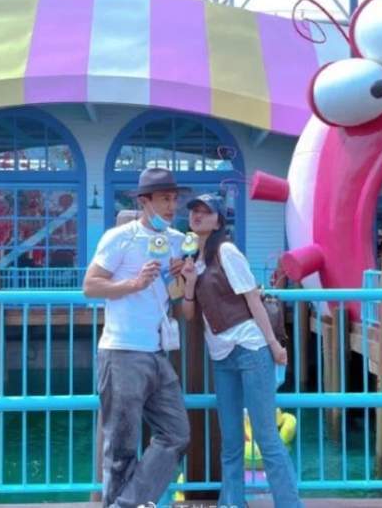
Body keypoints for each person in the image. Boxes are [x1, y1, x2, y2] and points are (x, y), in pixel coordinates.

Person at [181, 193, 302, 508]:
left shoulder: (227, 251)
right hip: (221, 357)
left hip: (250, 348)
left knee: (266, 437)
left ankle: (289, 504)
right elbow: (190, 314)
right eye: (194, 210)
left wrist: (274, 345)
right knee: (231, 440)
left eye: (205, 211)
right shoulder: (193, 259)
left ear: (218, 221)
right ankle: (232, 502)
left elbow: (252, 300)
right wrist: (189, 283)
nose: (197, 215)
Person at [83, 167, 190, 508]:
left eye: (174, 199)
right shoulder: (120, 237)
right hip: (121, 352)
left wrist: (181, 278)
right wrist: (134, 284)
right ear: (144, 201)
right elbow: (90, 286)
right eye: (164, 199)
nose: (171, 206)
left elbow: (173, 295)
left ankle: (125, 504)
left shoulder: (176, 240)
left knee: (177, 434)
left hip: (157, 351)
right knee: (121, 450)